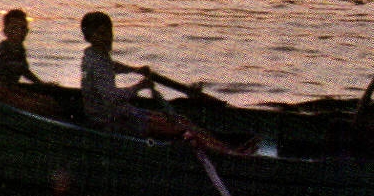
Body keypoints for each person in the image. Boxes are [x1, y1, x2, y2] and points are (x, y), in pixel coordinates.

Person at [78, 11, 251, 155]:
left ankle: (227, 149)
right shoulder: (97, 60)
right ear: (90, 36)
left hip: (119, 113)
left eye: (109, 31)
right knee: (181, 129)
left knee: (180, 120)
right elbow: (110, 96)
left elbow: (110, 67)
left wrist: (133, 69)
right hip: (112, 120)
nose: (108, 37)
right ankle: (228, 154)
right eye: (101, 33)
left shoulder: (93, 55)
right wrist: (138, 87)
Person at [0, 9, 58, 116]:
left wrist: (41, 84)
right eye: (14, 28)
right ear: (6, 31)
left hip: (10, 89)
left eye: (23, 28)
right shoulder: (1, 51)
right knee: (38, 106)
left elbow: (23, 70)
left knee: (49, 101)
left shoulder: (19, 49)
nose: (19, 32)